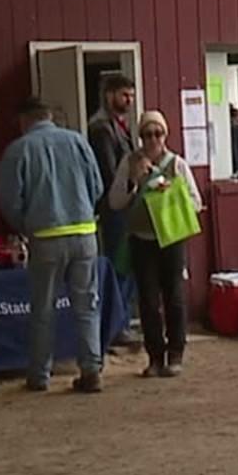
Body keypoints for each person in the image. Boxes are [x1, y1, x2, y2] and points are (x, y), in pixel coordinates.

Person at [0, 96, 107, 394]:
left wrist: (27, 226)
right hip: (85, 233)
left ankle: (40, 375)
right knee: (87, 306)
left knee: (43, 309)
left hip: (45, 237)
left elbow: (9, 201)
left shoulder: (18, 149)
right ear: (49, 116)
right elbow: (97, 186)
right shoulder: (77, 141)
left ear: (24, 120)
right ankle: (91, 370)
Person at [108, 110, 204, 377]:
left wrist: (171, 193)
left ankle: (176, 352)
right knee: (148, 301)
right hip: (141, 239)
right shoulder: (130, 163)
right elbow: (115, 202)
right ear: (140, 137)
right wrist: (133, 182)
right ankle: (154, 356)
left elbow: (196, 202)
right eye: (147, 134)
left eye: (158, 133)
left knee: (174, 297)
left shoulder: (177, 164)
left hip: (171, 239)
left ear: (166, 135)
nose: (153, 140)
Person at [86, 72, 140, 348]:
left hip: (125, 202)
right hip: (114, 204)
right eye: (123, 95)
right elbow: (108, 170)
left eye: (130, 95)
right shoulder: (101, 129)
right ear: (109, 95)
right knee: (119, 265)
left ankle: (124, 320)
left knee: (127, 264)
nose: (128, 100)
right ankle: (117, 325)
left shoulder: (119, 125)